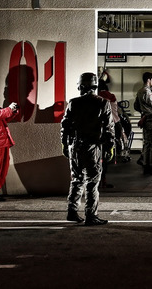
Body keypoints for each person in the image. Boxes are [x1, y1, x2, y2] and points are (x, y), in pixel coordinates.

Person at [61, 72, 114, 226]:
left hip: (75, 146)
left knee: (76, 179)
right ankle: (91, 215)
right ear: (95, 86)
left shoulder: (73, 103)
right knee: (92, 181)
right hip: (93, 147)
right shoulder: (103, 103)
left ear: (80, 86)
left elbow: (65, 126)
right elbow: (109, 129)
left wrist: (65, 144)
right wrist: (110, 147)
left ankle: (72, 211)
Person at [97, 77, 119, 189]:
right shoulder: (111, 97)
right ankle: (103, 181)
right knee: (105, 158)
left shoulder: (95, 98)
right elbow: (115, 115)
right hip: (109, 129)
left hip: (95, 132)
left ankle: (96, 182)